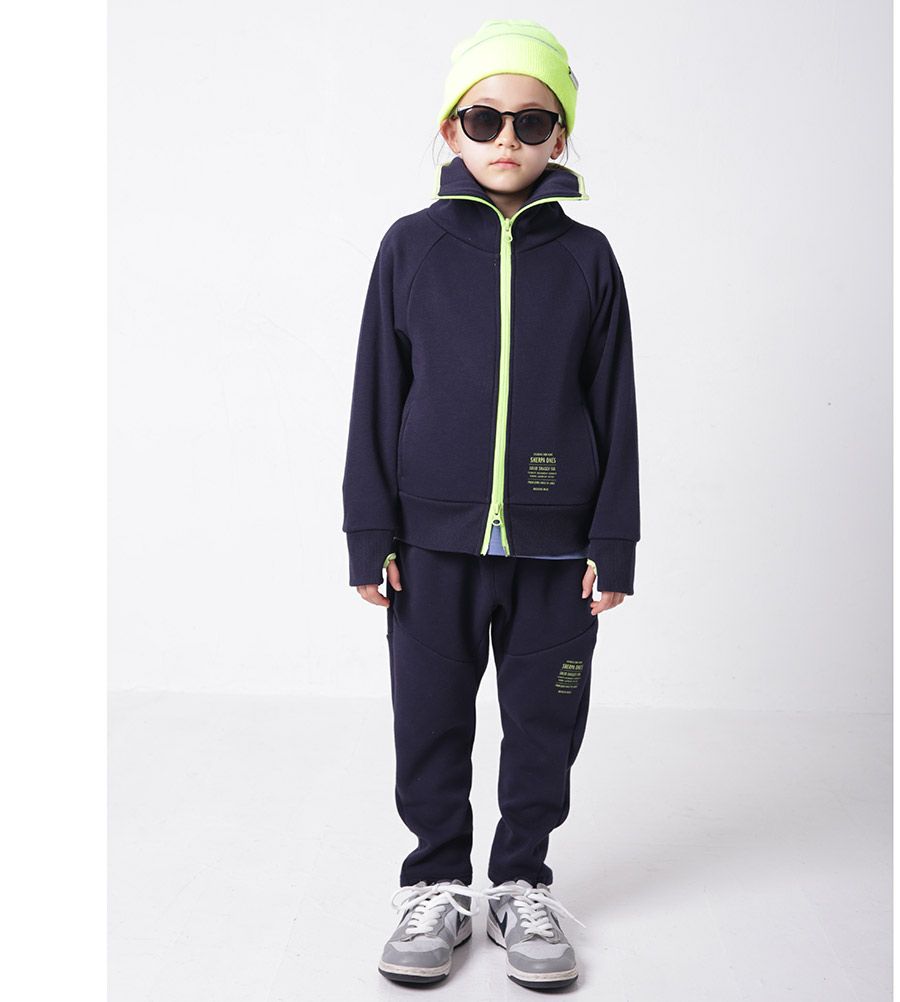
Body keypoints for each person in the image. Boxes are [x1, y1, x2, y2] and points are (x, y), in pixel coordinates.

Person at [341, 19, 641, 991]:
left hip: (559, 551)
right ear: (450, 129)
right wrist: (369, 532)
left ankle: (520, 883)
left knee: (545, 723)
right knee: (429, 719)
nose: (506, 136)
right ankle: (436, 883)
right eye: (483, 117)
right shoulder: (411, 248)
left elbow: (615, 404)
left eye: (531, 120)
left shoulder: (589, 259)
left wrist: (615, 540)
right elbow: (377, 394)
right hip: (430, 544)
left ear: (560, 136)